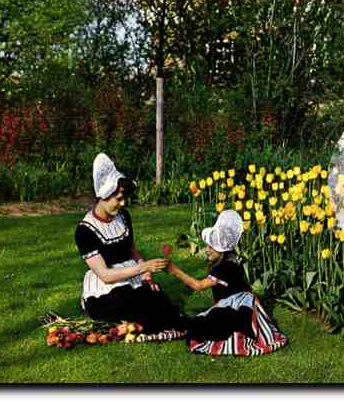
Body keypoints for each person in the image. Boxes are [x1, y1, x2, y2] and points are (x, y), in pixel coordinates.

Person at [74, 153, 185, 337]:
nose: (123, 203)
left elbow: (132, 250)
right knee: (143, 315)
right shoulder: (85, 231)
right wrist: (143, 267)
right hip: (107, 285)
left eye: (124, 198)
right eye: (118, 199)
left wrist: (147, 275)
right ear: (104, 195)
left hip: (132, 275)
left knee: (164, 307)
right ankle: (89, 304)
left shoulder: (123, 216)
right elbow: (105, 275)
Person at [165, 209, 288, 357]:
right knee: (201, 322)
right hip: (241, 305)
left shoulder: (224, 267)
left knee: (198, 327)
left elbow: (198, 286)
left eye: (211, 247)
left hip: (239, 309)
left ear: (221, 250)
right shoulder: (231, 262)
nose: (207, 250)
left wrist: (174, 270)